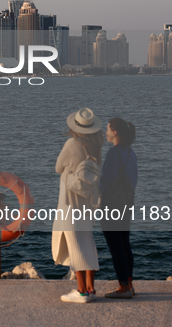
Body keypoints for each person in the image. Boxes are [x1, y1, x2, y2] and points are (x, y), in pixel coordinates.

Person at [52, 108, 104, 303]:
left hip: (70, 203)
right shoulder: (96, 147)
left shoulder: (72, 144)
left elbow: (58, 168)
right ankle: (90, 288)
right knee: (87, 244)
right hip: (87, 204)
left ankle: (81, 292)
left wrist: (68, 172)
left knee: (75, 247)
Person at [100, 118, 137, 299]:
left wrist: (96, 199)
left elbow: (105, 181)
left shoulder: (113, 153)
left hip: (111, 205)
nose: (105, 132)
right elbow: (133, 180)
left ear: (115, 132)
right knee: (124, 244)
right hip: (126, 203)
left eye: (107, 129)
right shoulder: (131, 153)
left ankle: (123, 287)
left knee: (115, 246)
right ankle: (129, 283)